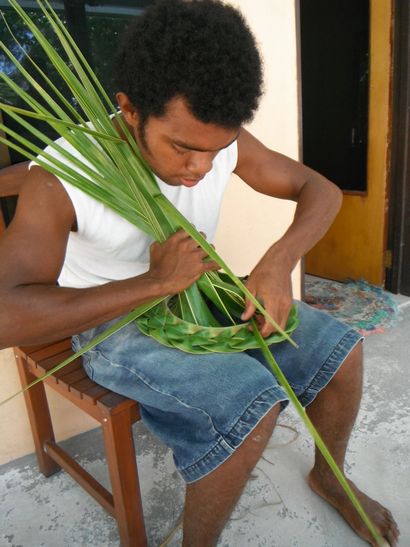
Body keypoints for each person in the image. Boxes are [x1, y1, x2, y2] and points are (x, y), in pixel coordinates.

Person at [0, 1, 399, 545]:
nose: (199, 170)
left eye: (217, 151)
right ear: (131, 109)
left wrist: (278, 264)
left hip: (199, 289)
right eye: (183, 148)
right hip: (108, 321)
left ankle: (329, 475)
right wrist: (153, 284)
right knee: (249, 403)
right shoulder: (64, 177)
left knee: (342, 349)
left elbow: (320, 190)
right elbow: (7, 315)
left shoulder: (216, 138)